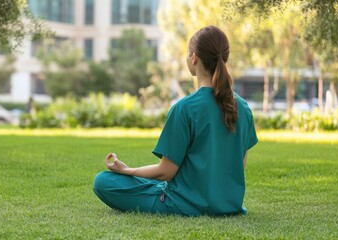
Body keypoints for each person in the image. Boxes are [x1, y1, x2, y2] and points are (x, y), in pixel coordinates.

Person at [93, 26, 258, 216]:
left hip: (185, 204)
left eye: (188, 53)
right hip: (228, 205)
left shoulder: (185, 108)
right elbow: (239, 166)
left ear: (194, 57)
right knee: (151, 181)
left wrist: (128, 170)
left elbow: (166, 172)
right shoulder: (244, 108)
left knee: (104, 181)